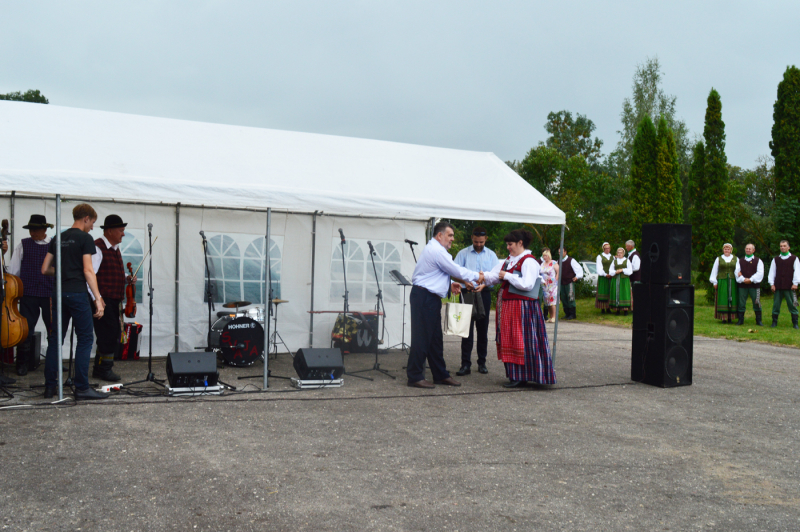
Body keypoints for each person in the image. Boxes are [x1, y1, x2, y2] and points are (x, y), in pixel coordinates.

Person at [41, 203, 109, 400]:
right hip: (77, 294)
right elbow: (88, 270)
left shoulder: (57, 237)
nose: (92, 227)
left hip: (59, 293)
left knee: (55, 339)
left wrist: (63, 271)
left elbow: (45, 269)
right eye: (93, 222)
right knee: (85, 339)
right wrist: (98, 298)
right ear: (86, 218)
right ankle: (82, 387)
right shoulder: (85, 238)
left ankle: (50, 387)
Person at [407, 222, 482, 389]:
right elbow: (457, 270)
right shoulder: (438, 251)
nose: (452, 239)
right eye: (450, 235)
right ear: (439, 235)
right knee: (422, 338)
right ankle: (414, 376)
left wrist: (449, 284)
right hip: (425, 297)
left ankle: (440, 375)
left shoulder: (435, 249)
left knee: (435, 340)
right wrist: (479, 276)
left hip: (429, 297)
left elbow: (434, 274)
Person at [482, 229, 555, 388]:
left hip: (523, 307)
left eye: (510, 244)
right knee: (509, 339)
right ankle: (515, 375)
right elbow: (494, 275)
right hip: (510, 305)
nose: (508, 247)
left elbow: (527, 284)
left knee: (522, 341)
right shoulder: (510, 259)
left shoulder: (529, 261)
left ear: (520, 243)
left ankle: (523, 375)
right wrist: (481, 279)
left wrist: (507, 276)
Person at [6, 215, 54, 376]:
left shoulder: (55, 245)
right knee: (25, 330)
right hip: (29, 293)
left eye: (35, 229)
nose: (33, 233)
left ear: (44, 229)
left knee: (53, 329)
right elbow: (14, 270)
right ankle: (22, 364)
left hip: (49, 293)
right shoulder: (23, 245)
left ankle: (53, 363)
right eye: (31, 230)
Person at [90, 214, 136, 382]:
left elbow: (109, 270)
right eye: (121, 231)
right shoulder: (97, 247)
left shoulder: (114, 248)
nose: (123, 234)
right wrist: (97, 299)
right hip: (103, 299)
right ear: (110, 231)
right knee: (108, 334)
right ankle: (104, 369)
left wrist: (125, 278)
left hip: (112, 299)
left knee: (110, 333)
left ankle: (99, 368)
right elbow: (91, 274)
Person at [452, 227, 498, 376]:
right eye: (476, 242)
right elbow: (454, 272)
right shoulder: (463, 253)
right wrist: (465, 282)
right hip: (467, 293)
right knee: (466, 331)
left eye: (481, 242)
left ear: (486, 239)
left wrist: (486, 284)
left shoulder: (491, 255)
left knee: (483, 330)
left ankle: (482, 363)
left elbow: (496, 275)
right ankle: (465, 364)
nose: (478, 244)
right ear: (472, 238)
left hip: (484, 293)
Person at [767, 240, 800, 329]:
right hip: (778, 286)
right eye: (781, 246)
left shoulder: (794, 258)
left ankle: (795, 323)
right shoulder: (776, 259)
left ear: (788, 247)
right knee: (776, 305)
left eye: (784, 246)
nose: (782, 247)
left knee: (792, 304)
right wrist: (772, 284)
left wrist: (795, 283)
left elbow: (797, 272)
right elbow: (772, 272)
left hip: (790, 286)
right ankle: (774, 322)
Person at [734, 243, 764, 326]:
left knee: (756, 302)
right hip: (742, 285)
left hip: (754, 285)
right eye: (746, 248)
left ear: (753, 250)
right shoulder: (740, 261)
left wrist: (750, 279)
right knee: (741, 303)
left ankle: (758, 320)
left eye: (749, 249)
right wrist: (743, 279)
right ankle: (740, 320)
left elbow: (760, 273)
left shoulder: (758, 261)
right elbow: (737, 272)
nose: (748, 250)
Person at [710, 243, 738, 323]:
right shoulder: (719, 259)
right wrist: (714, 282)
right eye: (725, 249)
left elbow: (738, 269)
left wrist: (739, 276)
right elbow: (714, 270)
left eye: (728, 249)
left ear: (731, 250)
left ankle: (730, 318)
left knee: (732, 298)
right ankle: (724, 318)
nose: (726, 250)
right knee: (723, 298)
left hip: (732, 281)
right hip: (722, 281)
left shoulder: (735, 259)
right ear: (723, 250)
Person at [558, 248, 583, 320]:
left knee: (570, 297)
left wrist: (577, 277)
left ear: (565, 252)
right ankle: (567, 313)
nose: (560, 254)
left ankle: (572, 314)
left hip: (569, 282)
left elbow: (579, 269)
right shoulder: (558, 261)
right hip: (562, 282)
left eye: (561, 252)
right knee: (564, 297)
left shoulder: (571, 260)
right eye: (559, 252)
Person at [608, 247, 632, 315]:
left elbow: (630, 271)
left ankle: (625, 310)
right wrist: (616, 272)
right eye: (618, 252)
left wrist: (622, 270)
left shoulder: (627, 260)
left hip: (624, 280)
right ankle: (617, 310)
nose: (619, 254)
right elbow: (610, 271)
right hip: (615, 280)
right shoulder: (614, 261)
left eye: (621, 252)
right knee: (616, 293)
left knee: (624, 293)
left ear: (623, 253)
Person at [540, 249, 558, 323]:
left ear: (549, 256)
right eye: (544, 256)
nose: (545, 257)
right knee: (547, 301)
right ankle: (550, 317)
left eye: (546, 256)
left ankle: (554, 316)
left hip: (552, 284)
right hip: (545, 285)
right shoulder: (542, 264)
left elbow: (558, 272)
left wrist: (555, 280)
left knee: (552, 300)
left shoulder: (553, 262)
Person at [595, 242, 613, 314]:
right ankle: (602, 308)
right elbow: (599, 267)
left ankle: (608, 308)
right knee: (603, 291)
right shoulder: (600, 257)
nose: (607, 250)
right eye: (606, 248)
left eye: (608, 248)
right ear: (603, 249)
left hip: (611, 277)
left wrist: (611, 274)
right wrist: (605, 274)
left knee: (609, 292)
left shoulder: (612, 257)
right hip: (603, 276)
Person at [626, 240, 641, 309]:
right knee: (633, 293)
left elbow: (636, 267)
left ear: (630, 246)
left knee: (636, 294)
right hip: (632, 278)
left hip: (636, 278)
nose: (626, 248)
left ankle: (637, 308)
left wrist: (627, 270)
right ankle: (634, 308)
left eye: (627, 246)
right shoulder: (631, 254)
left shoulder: (635, 255)